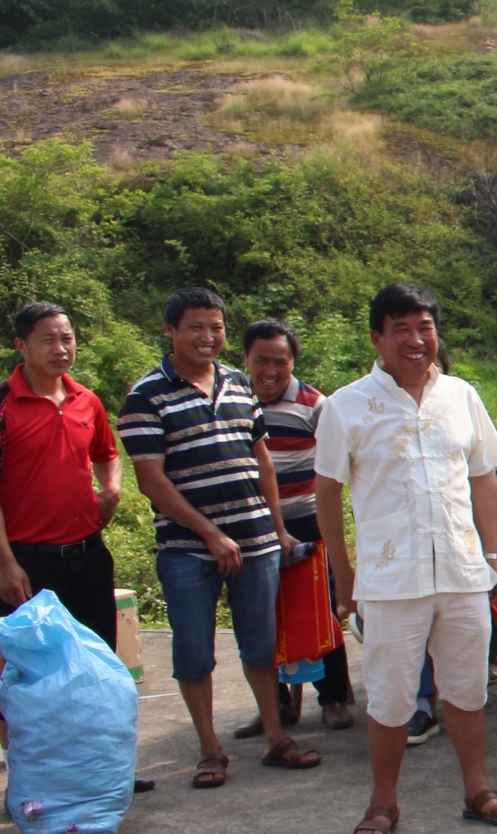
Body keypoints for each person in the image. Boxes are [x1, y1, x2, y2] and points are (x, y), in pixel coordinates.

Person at [315, 283, 497, 834]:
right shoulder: (345, 405)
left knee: (467, 687)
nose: (415, 339)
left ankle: (477, 789)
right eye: (401, 328)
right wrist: (344, 573)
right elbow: (327, 491)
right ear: (377, 338)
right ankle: (383, 803)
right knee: (390, 695)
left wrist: (490, 552)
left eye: (424, 327)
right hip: (390, 578)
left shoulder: (460, 395)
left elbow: (483, 475)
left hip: (460, 570)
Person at [120, 287, 317, 788]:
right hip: (187, 548)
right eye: (196, 327)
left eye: (216, 327)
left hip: (255, 540)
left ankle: (277, 738)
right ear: (171, 330)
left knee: (261, 643)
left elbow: (262, 460)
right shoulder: (145, 396)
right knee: (192, 650)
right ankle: (211, 750)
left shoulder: (237, 383)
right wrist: (209, 534)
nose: (208, 337)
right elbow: (152, 481)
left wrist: (278, 530)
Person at [243, 318, 356, 732]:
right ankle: (275, 707)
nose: (270, 371)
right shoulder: (233, 397)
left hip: (306, 521)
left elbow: (333, 472)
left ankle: (333, 699)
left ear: (293, 363)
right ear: (246, 360)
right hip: (251, 525)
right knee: (260, 616)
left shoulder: (315, 404)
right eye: (261, 361)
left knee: (319, 610)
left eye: (281, 362)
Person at [0, 305, 124, 649]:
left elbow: (107, 454)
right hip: (28, 563)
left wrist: (111, 491)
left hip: (88, 558)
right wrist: (6, 565)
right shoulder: (4, 407)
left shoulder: (86, 400)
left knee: (97, 663)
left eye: (66, 339)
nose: (60, 349)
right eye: (48, 340)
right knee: (33, 676)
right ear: (21, 345)